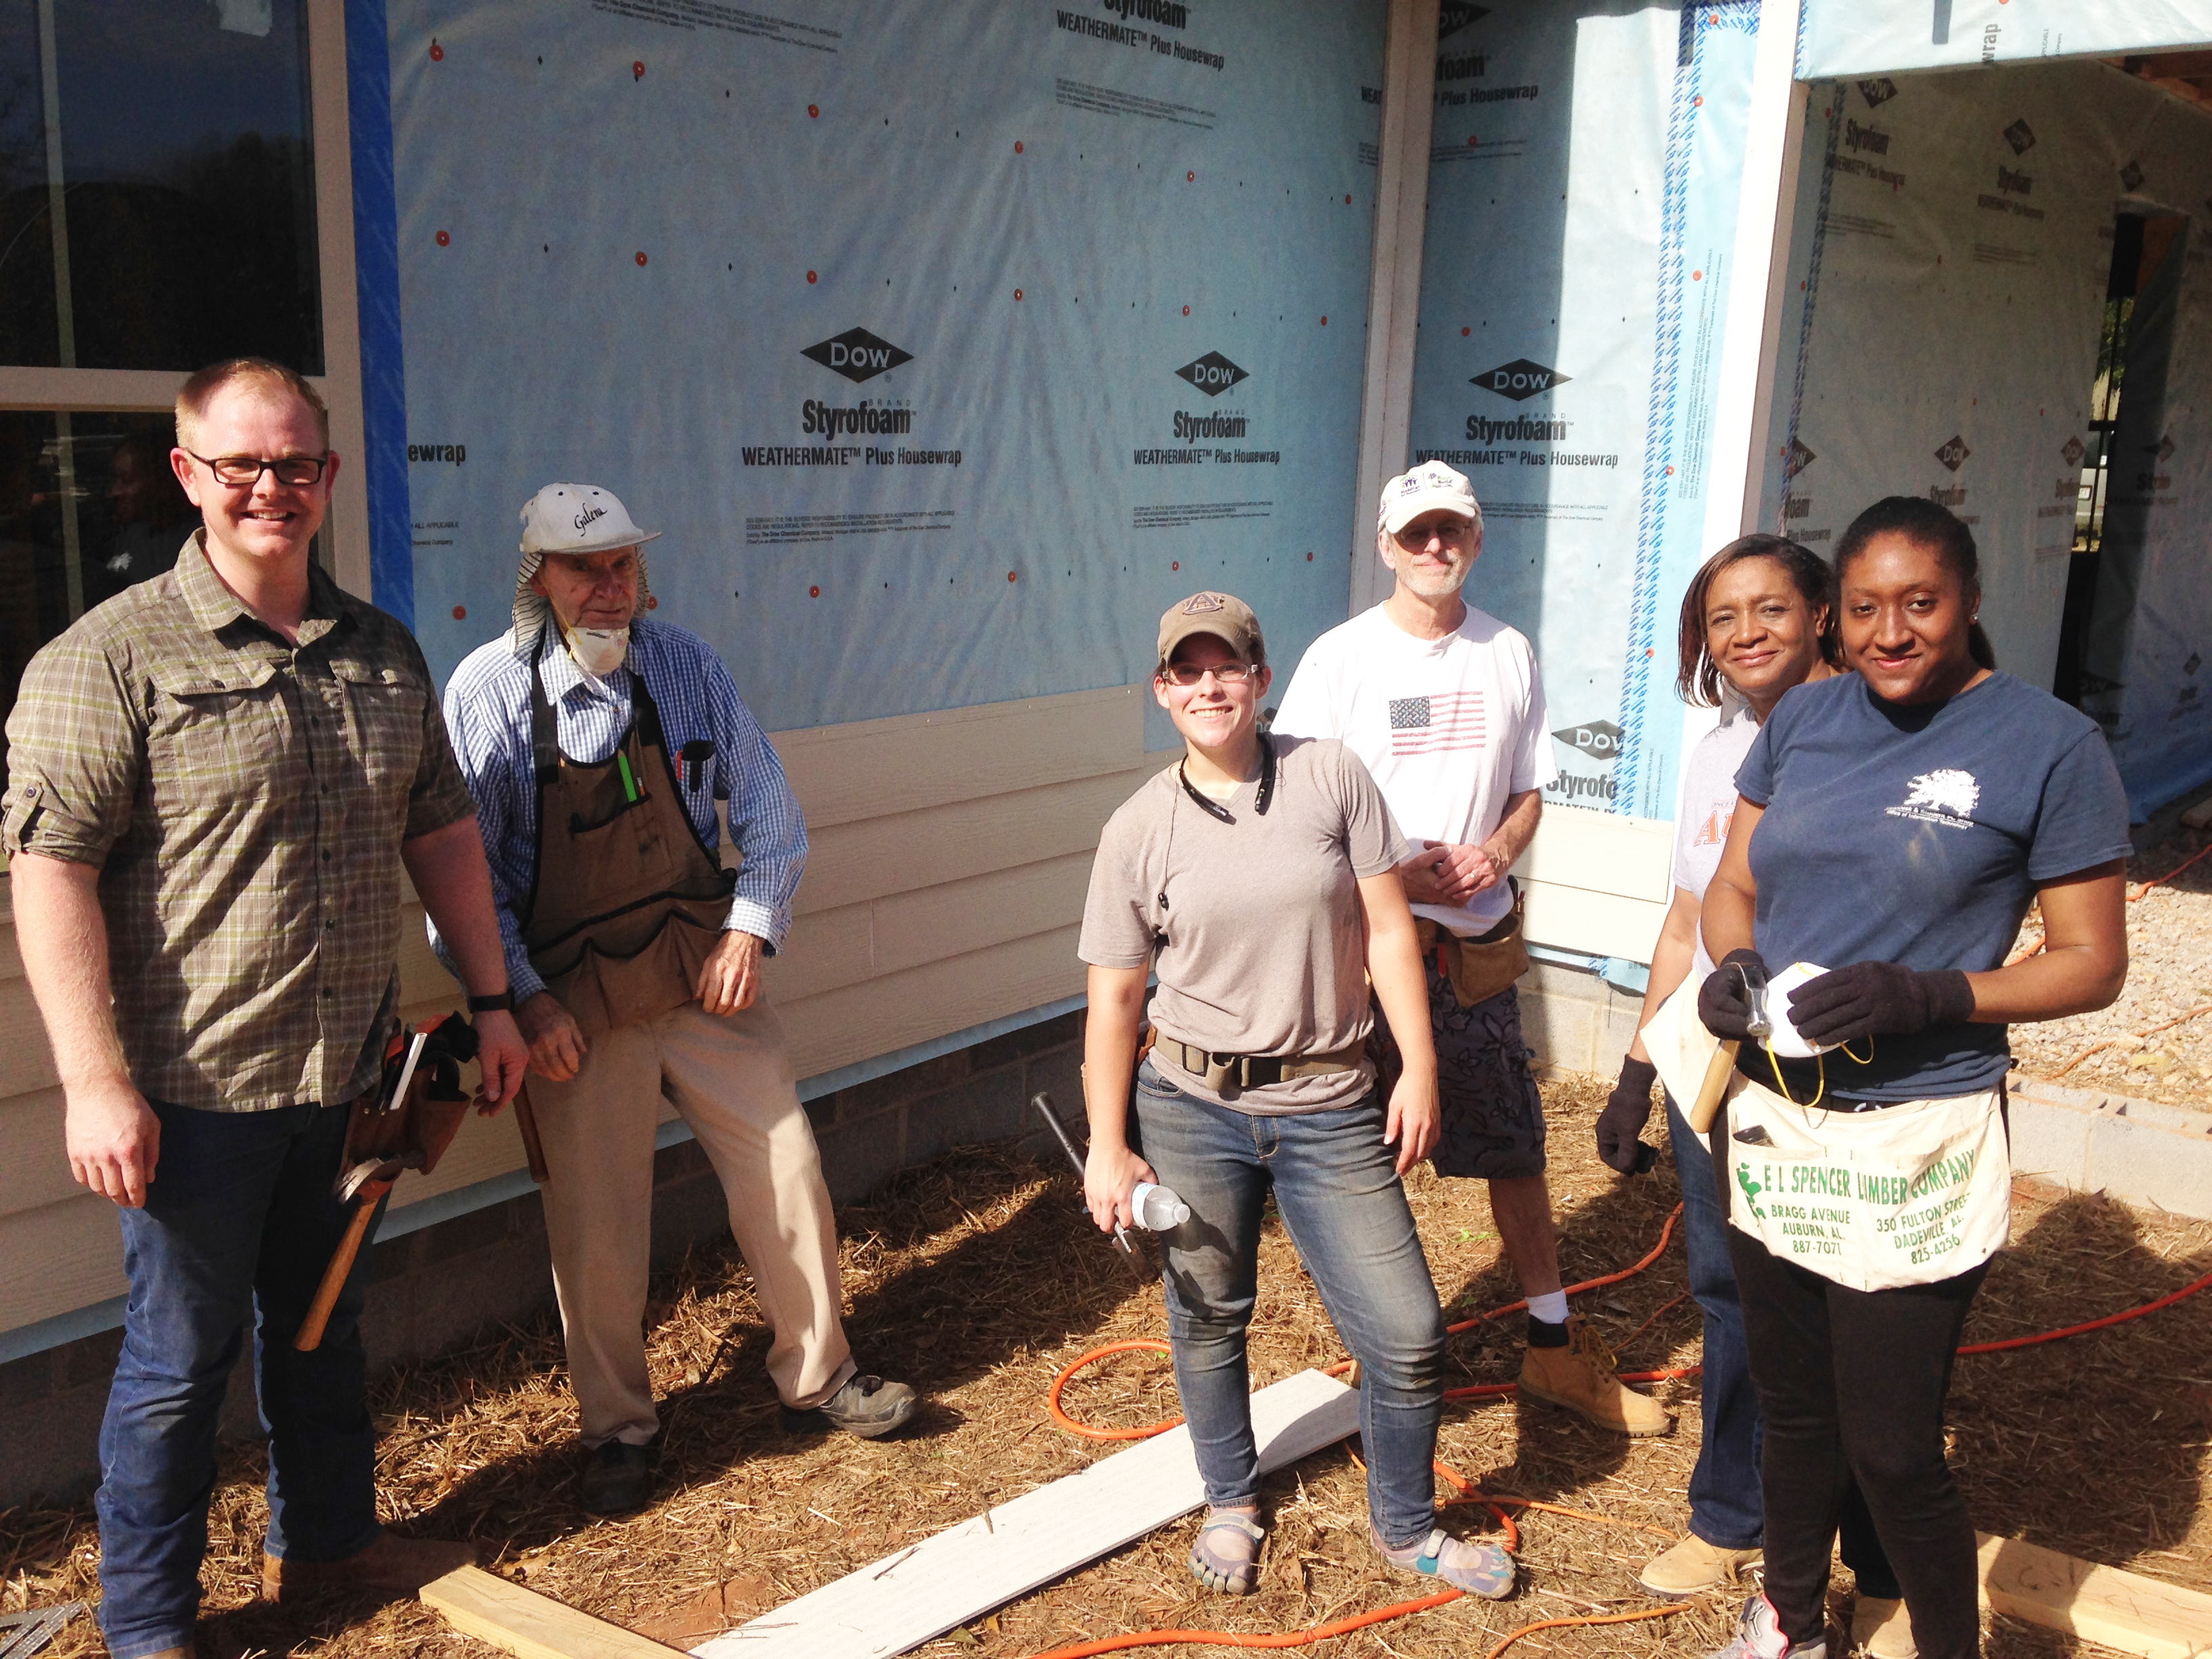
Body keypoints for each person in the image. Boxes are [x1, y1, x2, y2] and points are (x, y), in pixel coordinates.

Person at [2, 359, 529, 1659]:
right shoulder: (109, 660)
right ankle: (148, 1625)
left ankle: (331, 1546)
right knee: (179, 1372)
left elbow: (443, 830)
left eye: (295, 463)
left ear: (329, 477)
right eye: (239, 463)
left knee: (321, 1328)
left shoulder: (380, 653)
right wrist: (94, 1082)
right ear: (187, 474)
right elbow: (49, 870)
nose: (269, 488)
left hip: (347, 1080)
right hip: (195, 1098)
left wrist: (492, 998)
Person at [1691, 497, 2131, 1659]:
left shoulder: (2048, 747)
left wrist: (1933, 995)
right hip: (1778, 1119)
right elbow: (1736, 882)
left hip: (1915, 1139)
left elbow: (2093, 964)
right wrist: (1733, 965)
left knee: (1890, 1446)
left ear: (1974, 602)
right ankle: (1787, 1618)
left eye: (1922, 604)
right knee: (1794, 1417)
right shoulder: (1805, 720)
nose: (1893, 633)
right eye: (1869, 608)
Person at [438, 483, 916, 1517]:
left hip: (700, 974)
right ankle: (618, 1430)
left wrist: (751, 927)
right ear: (539, 583)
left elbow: (774, 817)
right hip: (570, 1006)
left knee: (787, 1164)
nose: (611, 588)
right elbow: (461, 886)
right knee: (598, 1226)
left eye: (623, 565)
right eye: (584, 569)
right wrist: (523, 1002)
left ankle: (819, 1378)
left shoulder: (686, 664)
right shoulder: (485, 693)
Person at [1080, 591, 1515, 1601]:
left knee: (1406, 1333)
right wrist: (1110, 1143)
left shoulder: (1330, 776)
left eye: (1225, 666)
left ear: (1260, 679)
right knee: (1208, 1314)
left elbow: (1393, 929)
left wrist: (1421, 1065)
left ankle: (1406, 1529)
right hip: (1190, 1104)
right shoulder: (1137, 828)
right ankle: (1231, 1499)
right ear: (1162, 692)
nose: (1207, 687)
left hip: (1330, 1101)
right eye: (1185, 672)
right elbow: (1114, 1001)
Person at [1273, 460, 1668, 1437]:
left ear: (1477, 541)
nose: (1436, 548)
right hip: (1367, 953)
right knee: (1363, 1155)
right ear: (1386, 547)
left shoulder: (1508, 654)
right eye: (1416, 535)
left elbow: (1530, 791)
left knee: (1513, 1149)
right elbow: (1294, 808)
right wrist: (1397, 875)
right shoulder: (1340, 661)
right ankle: (1390, 1360)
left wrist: (1497, 848)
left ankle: (1551, 1348)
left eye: (1452, 531)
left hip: (1477, 952)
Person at [1592, 537, 1911, 1653]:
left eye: (1771, 609)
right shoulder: (1718, 745)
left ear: (1822, 614)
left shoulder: (1883, 733)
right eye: (1723, 618)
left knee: (1853, 1310)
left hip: (1837, 1069)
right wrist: (1639, 1069)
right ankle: (1732, 1514)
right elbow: (1687, 918)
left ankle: (1875, 1556)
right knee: (1730, 1296)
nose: (1747, 634)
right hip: (1716, 1058)